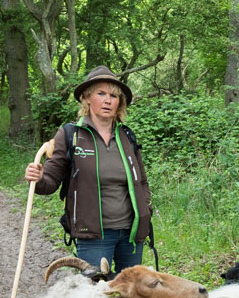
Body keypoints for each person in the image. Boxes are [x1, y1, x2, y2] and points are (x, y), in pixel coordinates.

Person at [24, 65, 152, 273]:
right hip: (93, 236)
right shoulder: (71, 135)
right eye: (101, 94)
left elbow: (142, 181)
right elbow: (48, 183)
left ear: (120, 102)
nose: (108, 100)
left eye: (114, 95)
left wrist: (144, 209)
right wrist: (37, 178)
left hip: (131, 234)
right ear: (87, 98)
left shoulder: (127, 136)